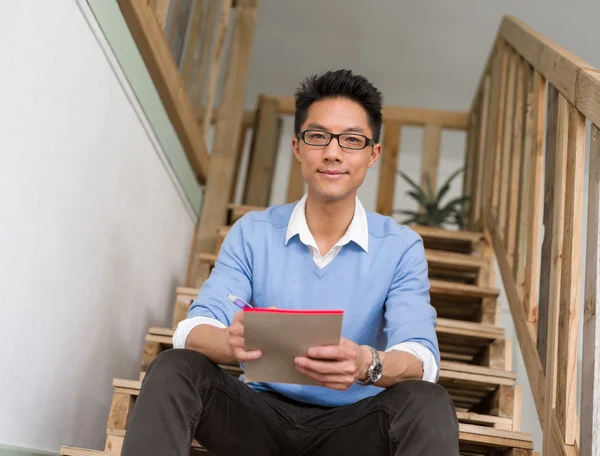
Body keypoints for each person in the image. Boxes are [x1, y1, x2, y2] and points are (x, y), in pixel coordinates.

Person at [121, 69, 459, 456]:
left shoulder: (401, 247)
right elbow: (193, 329)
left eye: (351, 140)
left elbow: (422, 359)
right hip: (256, 419)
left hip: (352, 429)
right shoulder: (253, 232)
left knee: (429, 403)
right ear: (298, 148)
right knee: (174, 368)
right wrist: (233, 343)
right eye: (318, 137)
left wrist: (368, 363)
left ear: (372, 154)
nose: (332, 152)